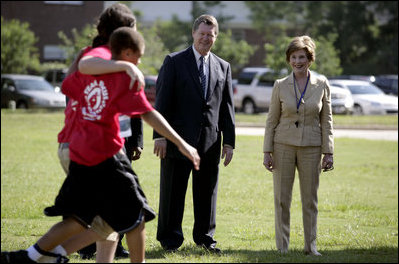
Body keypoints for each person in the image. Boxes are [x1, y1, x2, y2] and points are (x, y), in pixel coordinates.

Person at [1, 27, 200, 264]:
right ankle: (42, 256)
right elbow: (147, 113)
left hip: (80, 156)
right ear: (126, 52)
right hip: (106, 157)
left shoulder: (86, 74)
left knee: (86, 220)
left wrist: (85, 58)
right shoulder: (122, 78)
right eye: (138, 56)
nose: (139, 62)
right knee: (136, 216)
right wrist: (182, 143)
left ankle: (37, 256)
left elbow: (68, 84)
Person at [57, 3, 143, 260]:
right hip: (91, 149)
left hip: (78, 146)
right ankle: (43, 254)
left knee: (107, 222)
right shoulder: (104, 56)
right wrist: (126, 67)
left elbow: (69, 85)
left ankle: (44, 253)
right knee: (117, 217)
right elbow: (83, 71)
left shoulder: (96, 54)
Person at [153, 14, 235, 253]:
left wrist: (229, 142)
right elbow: (162, 101)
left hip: (210, 143)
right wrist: (159, 137)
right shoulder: (174, 61)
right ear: (193, 34)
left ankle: (205, 238)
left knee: (207, 194)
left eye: (211, 34)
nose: (206, 38)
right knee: (172, 192)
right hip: (176, 142)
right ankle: (170, 240)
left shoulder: (223, 66)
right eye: (202, 33)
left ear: (216, 37)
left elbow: (227, 107)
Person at [262, 35, 334, 256]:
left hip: (312, 147)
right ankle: (282, 247)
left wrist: (328, 151)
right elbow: (271, 120)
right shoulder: (280, 85)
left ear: (310, 58)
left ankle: (310, 247)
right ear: (289, 59)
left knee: (310, 200)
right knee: (282, 199)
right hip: (282, 145)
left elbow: (327, 120)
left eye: (302, 57)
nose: (297, 61)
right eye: (293, 57)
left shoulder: (322, 84)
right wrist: (267, 151)